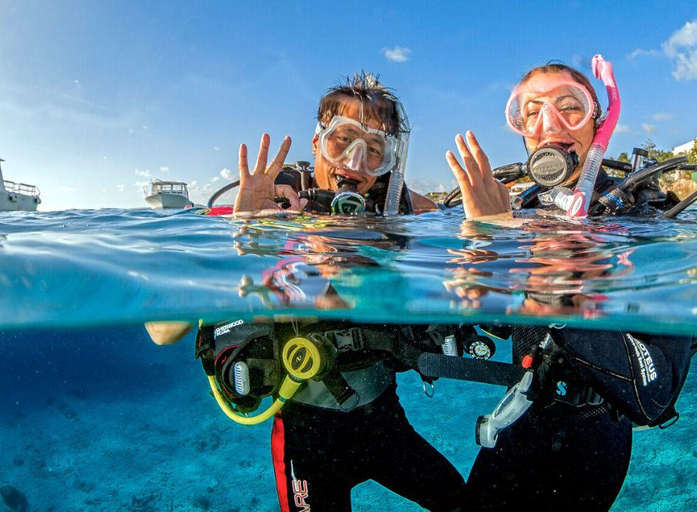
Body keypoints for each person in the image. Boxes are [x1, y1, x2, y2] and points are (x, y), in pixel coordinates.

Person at [147, 72, 464, 512]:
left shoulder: (402, 210)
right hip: (308, 436)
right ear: (317, 142)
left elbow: (483, 242)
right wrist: (243, 242)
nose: (356, 163)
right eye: (343, 140)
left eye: (375, 150)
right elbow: (161, 332)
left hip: (384, 421)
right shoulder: (268, 209)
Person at [444, 59, 697, 511]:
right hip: (522, 419)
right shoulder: (516, 212)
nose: (550, 124)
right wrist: (485, 251)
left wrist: (545, 289)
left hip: (594, 438)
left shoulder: (644, 221)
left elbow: (654, 398)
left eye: (570, 107)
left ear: (598, 121)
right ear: (521, 130)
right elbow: (503, 326)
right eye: (531, 112)